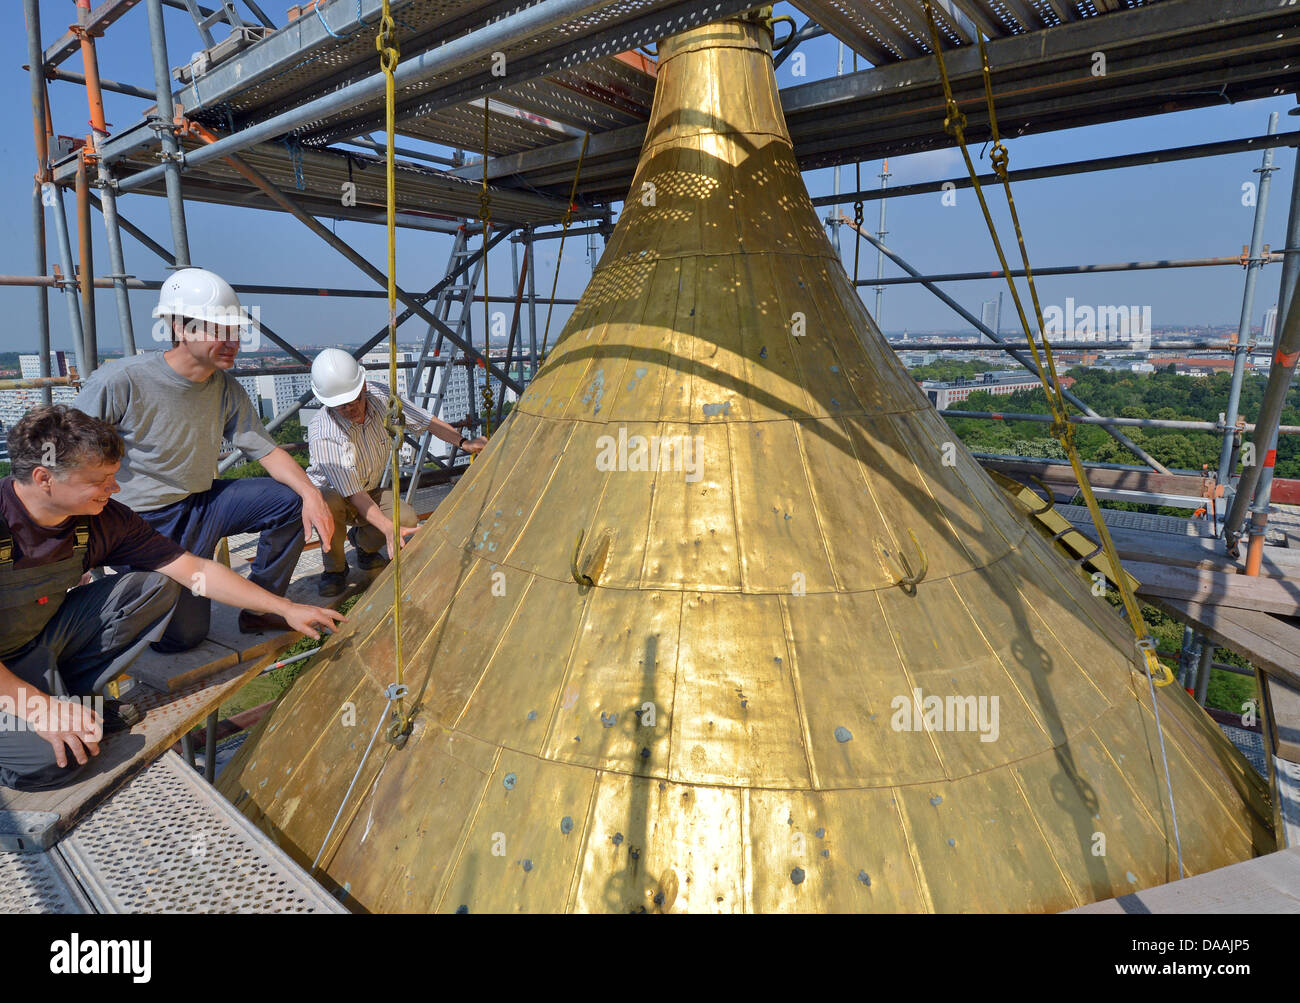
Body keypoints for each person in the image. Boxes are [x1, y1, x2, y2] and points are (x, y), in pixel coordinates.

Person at [0, 405, 344, 791]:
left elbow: (193, 571)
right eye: (100, 480)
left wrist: (285, 607)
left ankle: (76, 701)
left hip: (36, 640)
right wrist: (38, 707)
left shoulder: (102, 519)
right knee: (57, 763)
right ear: (44, 477)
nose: (114, 489)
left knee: (155, 586)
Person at [74, 268, 335, 650]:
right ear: (179, 327)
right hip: (141, 522)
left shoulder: (225, 387)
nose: (233, 341)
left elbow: (267, 450)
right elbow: (69, 462)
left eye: (236, 331)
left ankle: (265, 606)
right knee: (183, 638)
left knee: (294, 500)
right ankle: (131, 592)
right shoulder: (120, 382)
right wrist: (76, 545)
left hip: (200, 504)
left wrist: (312, 495)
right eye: (219, 330)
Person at [305, 349, 486, 596]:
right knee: (328, 501)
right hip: (335, 497)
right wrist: (388, 529)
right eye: (342, 406)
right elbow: (353, 494)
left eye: (355, 399)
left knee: (407, 519)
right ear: (327, 403)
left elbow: (426, 421)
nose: (351, 409)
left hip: (368, 490)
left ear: (364, 385)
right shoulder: (324, 432)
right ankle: (335, 569)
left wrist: (464, 442)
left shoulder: (380, 399)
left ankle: (364, 547)